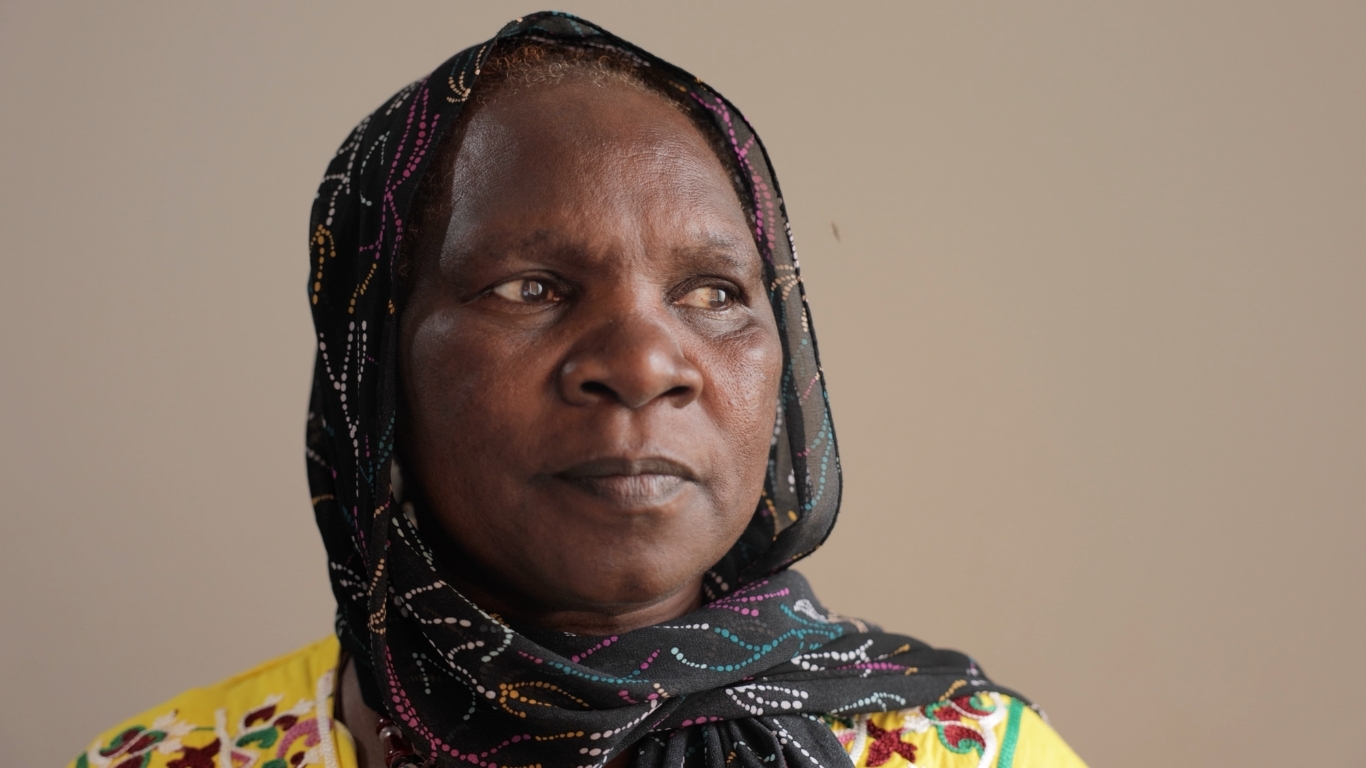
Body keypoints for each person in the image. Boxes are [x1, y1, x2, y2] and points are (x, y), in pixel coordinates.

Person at [70, 13, 1086, 768]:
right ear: (376, 367)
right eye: (532, 288)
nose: (643, 363)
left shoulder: (976, 753)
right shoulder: (170, 760)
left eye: (712, 292)